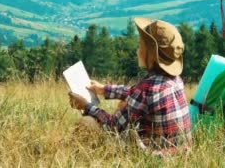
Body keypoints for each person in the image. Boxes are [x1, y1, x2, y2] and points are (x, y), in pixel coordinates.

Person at [68, 18, 192, 154]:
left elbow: (112, 126)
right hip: (180, 154)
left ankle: (77, 157)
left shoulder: (146, 89)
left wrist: (86, 106)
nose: (137, 51)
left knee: (87, 122)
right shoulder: (176, 80)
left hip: (153, 158)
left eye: (140, 46)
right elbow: (134, 93)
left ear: (151, 54)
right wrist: (104, 90)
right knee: (124, 104)